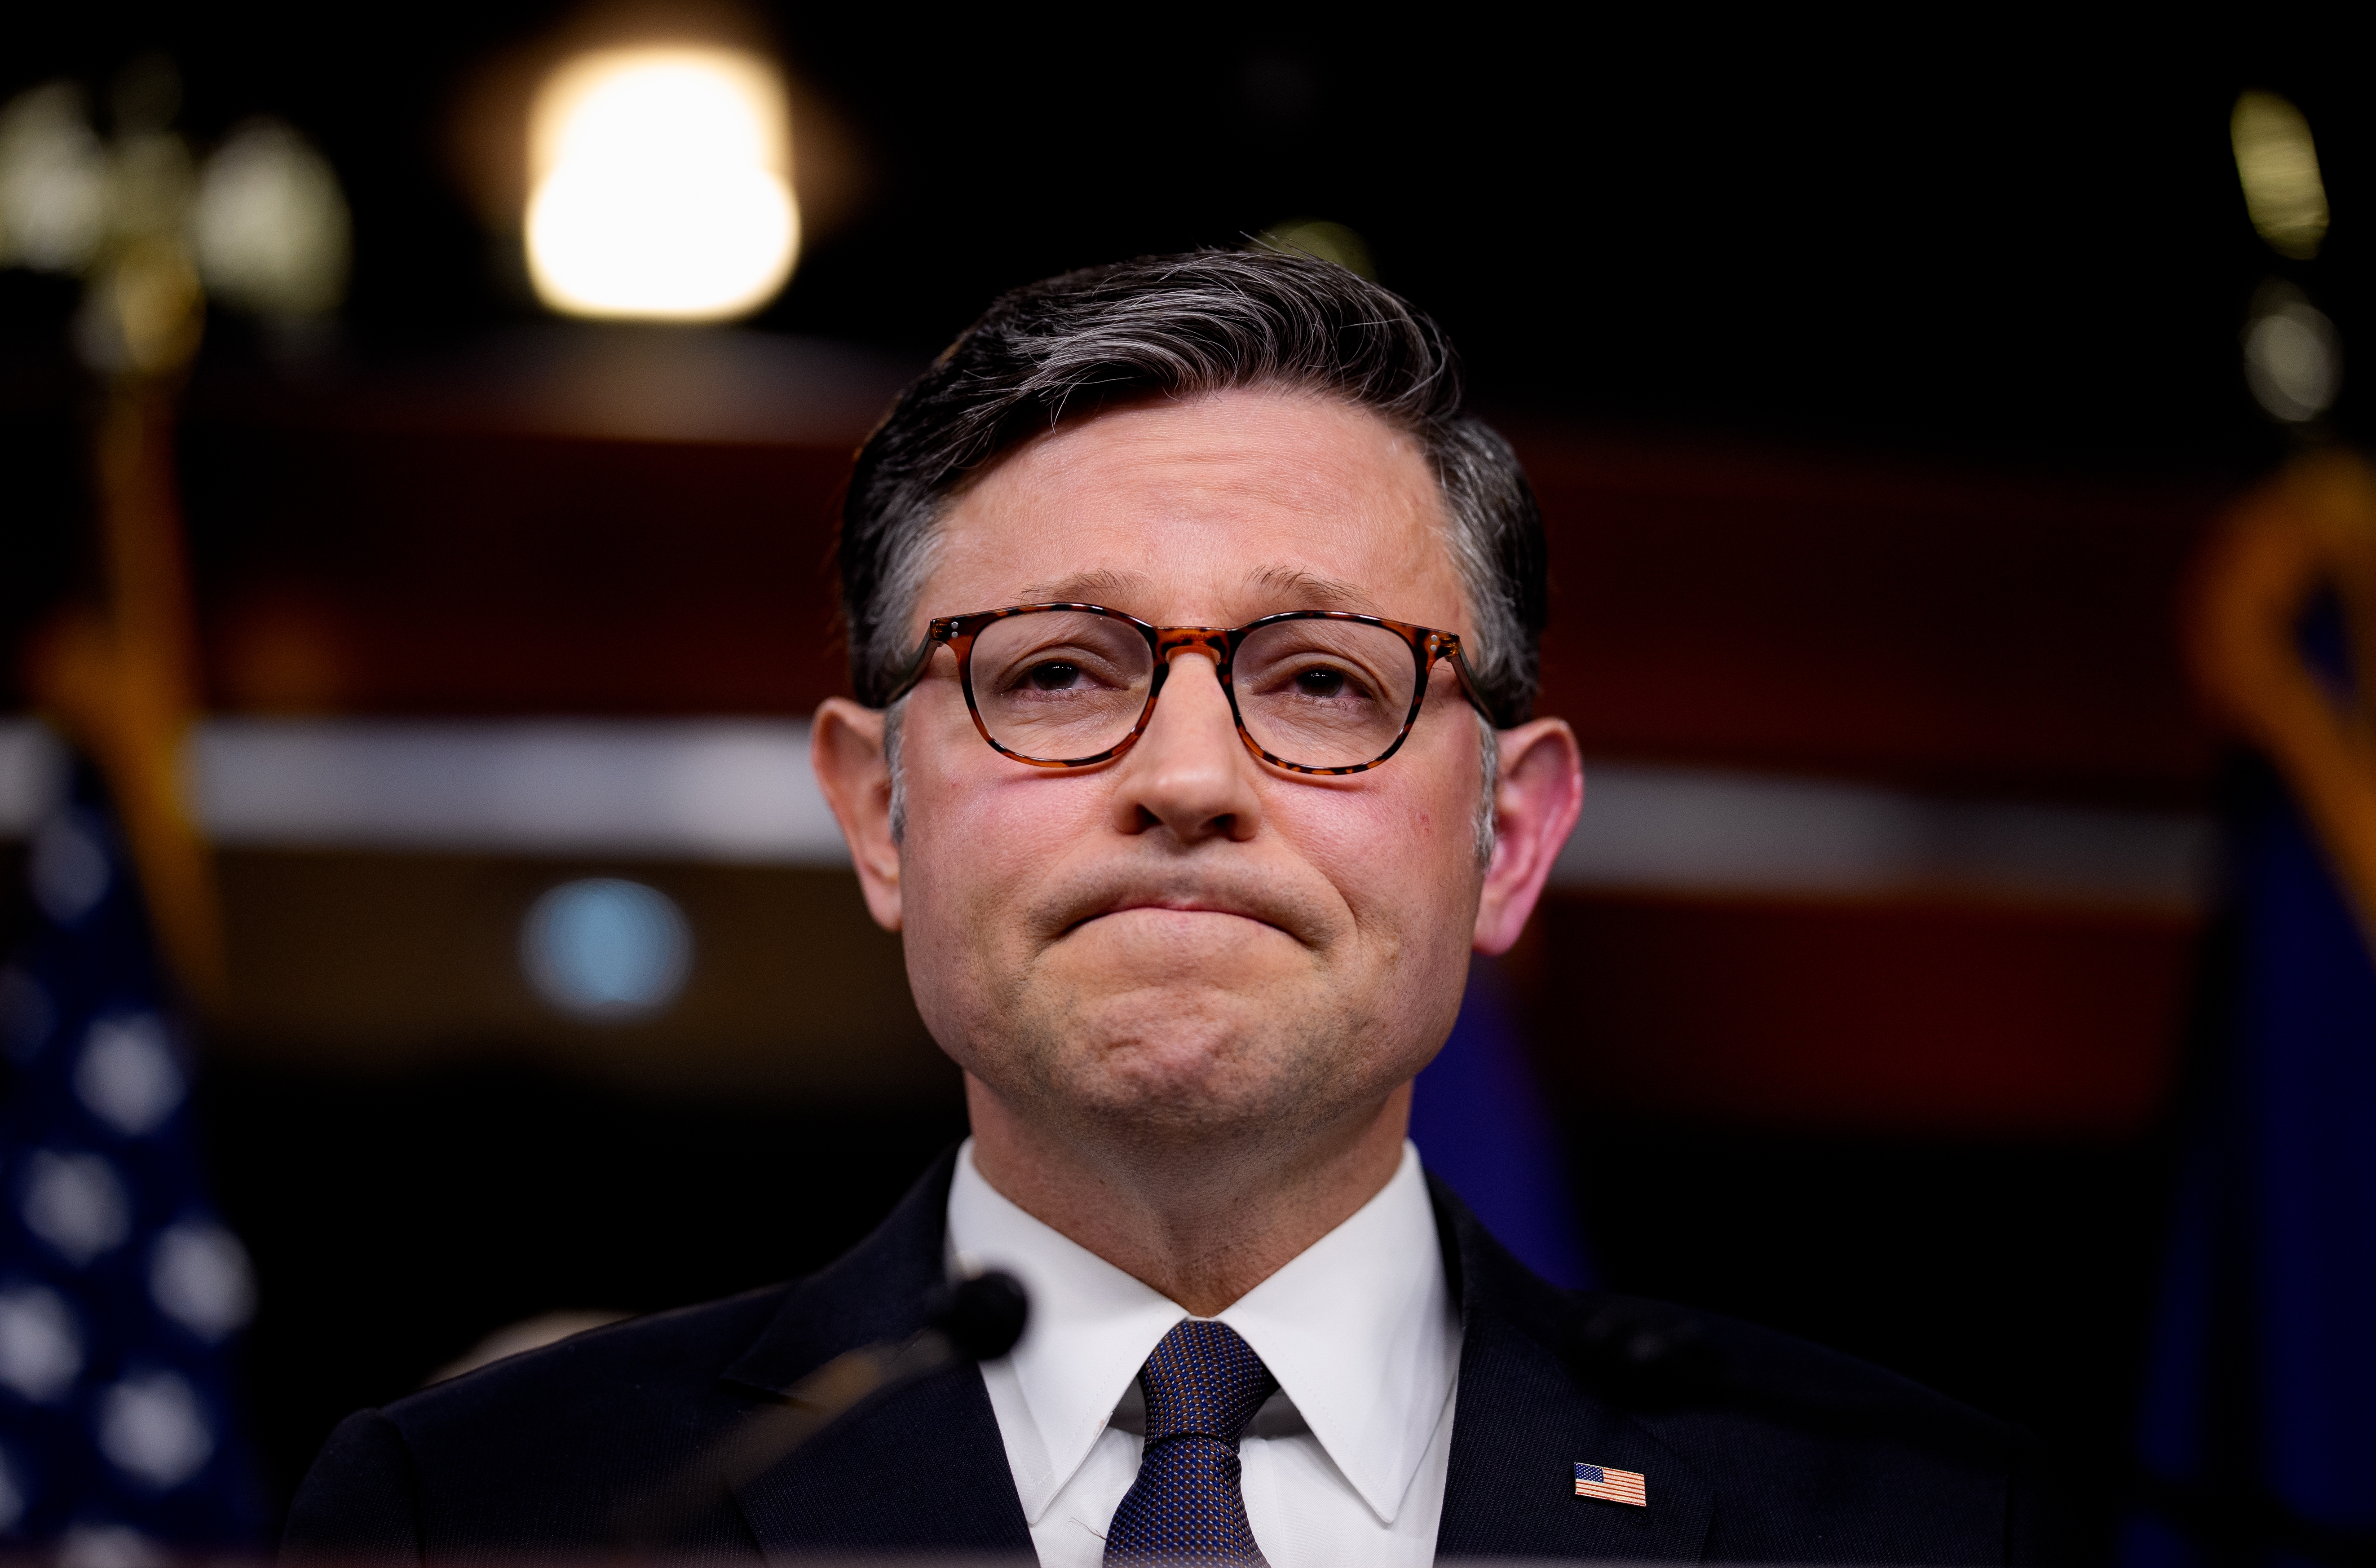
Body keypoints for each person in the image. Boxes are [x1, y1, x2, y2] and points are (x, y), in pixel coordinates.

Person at [284, 251, 2046, 1564]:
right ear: (878, 812)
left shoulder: (1929, 1525)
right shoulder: (487, 1512)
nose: (1189, 777)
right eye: (1055, 672)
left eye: (1326, 681)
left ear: (1509, 839)